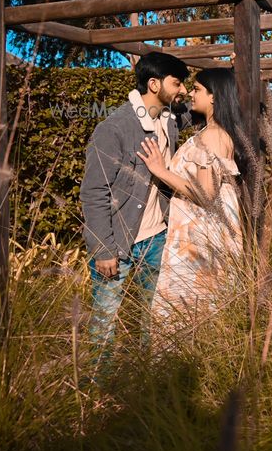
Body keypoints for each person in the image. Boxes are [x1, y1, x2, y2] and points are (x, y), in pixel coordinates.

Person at [79, 51, 192, 376]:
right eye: (177, 82)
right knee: (104, 324)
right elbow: (94, 191)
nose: (182, 89)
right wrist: (103, 249)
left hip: (158, 239)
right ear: (154, 84)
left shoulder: (169, 119)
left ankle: (146, 385)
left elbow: (202, 108)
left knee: (153, 320)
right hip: (119, 244)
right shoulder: (114, 128)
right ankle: (95, 399)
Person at [137, 68, 245, 325]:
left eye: (197, 89)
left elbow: (206, 194)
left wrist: (160, 171)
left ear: (214, 97)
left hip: (198, 241)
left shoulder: (214, 136)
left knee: (187, 312)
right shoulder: (212, 132)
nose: (190, 94)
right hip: (197, 235)